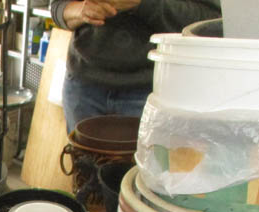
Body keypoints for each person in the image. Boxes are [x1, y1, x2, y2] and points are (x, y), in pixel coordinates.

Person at [49, 0, 221, 133]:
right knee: (84, 166)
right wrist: (80, 11)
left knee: (142, 169)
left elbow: (212, 23)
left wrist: (143, 4)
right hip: (83, 88)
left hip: (151, 91)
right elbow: (58, 7)